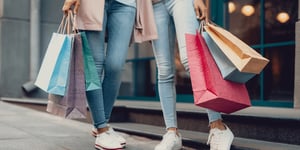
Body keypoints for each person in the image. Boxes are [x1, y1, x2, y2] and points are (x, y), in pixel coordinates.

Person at [151, 0, 234, 150]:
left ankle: (219, 127)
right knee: (164, 70)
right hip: (153, 5)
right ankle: (172, 133)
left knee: (192, 60)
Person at [62, 0, 136, 149]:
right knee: (94, 65)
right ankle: (102, 128)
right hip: (91, 3)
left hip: (126, 4)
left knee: (116, 65)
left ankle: (101, 125)